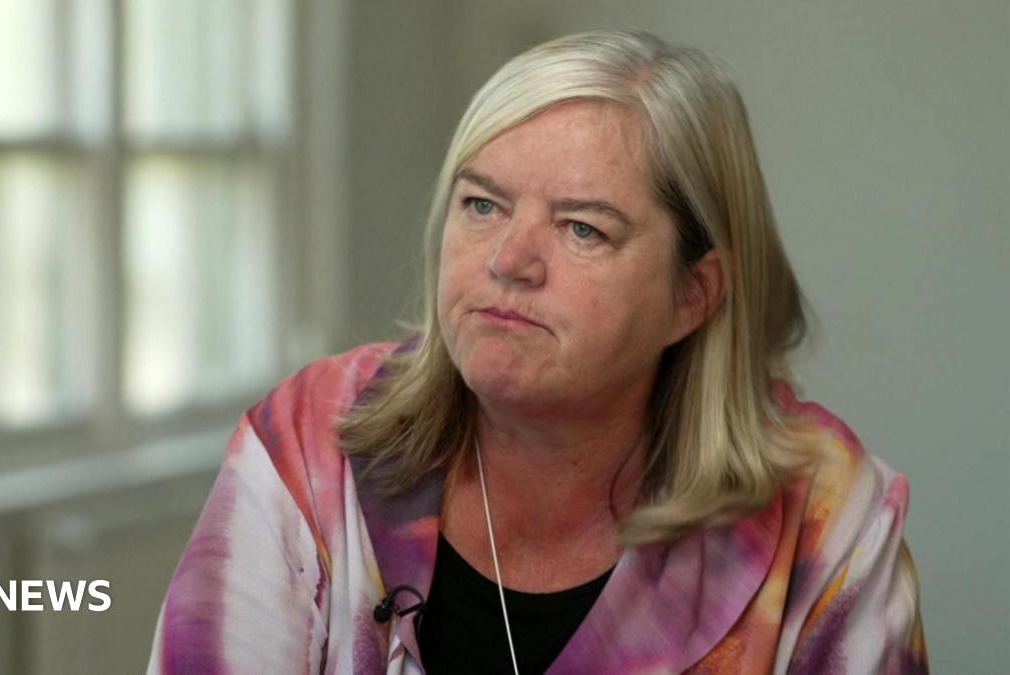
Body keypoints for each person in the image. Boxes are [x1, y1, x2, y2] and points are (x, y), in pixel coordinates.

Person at [147, 30, 927, 674]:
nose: (509, 259)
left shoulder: (824, 513)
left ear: (693, 294)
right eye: (482, 204)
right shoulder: (310, 443)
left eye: (582, 227)